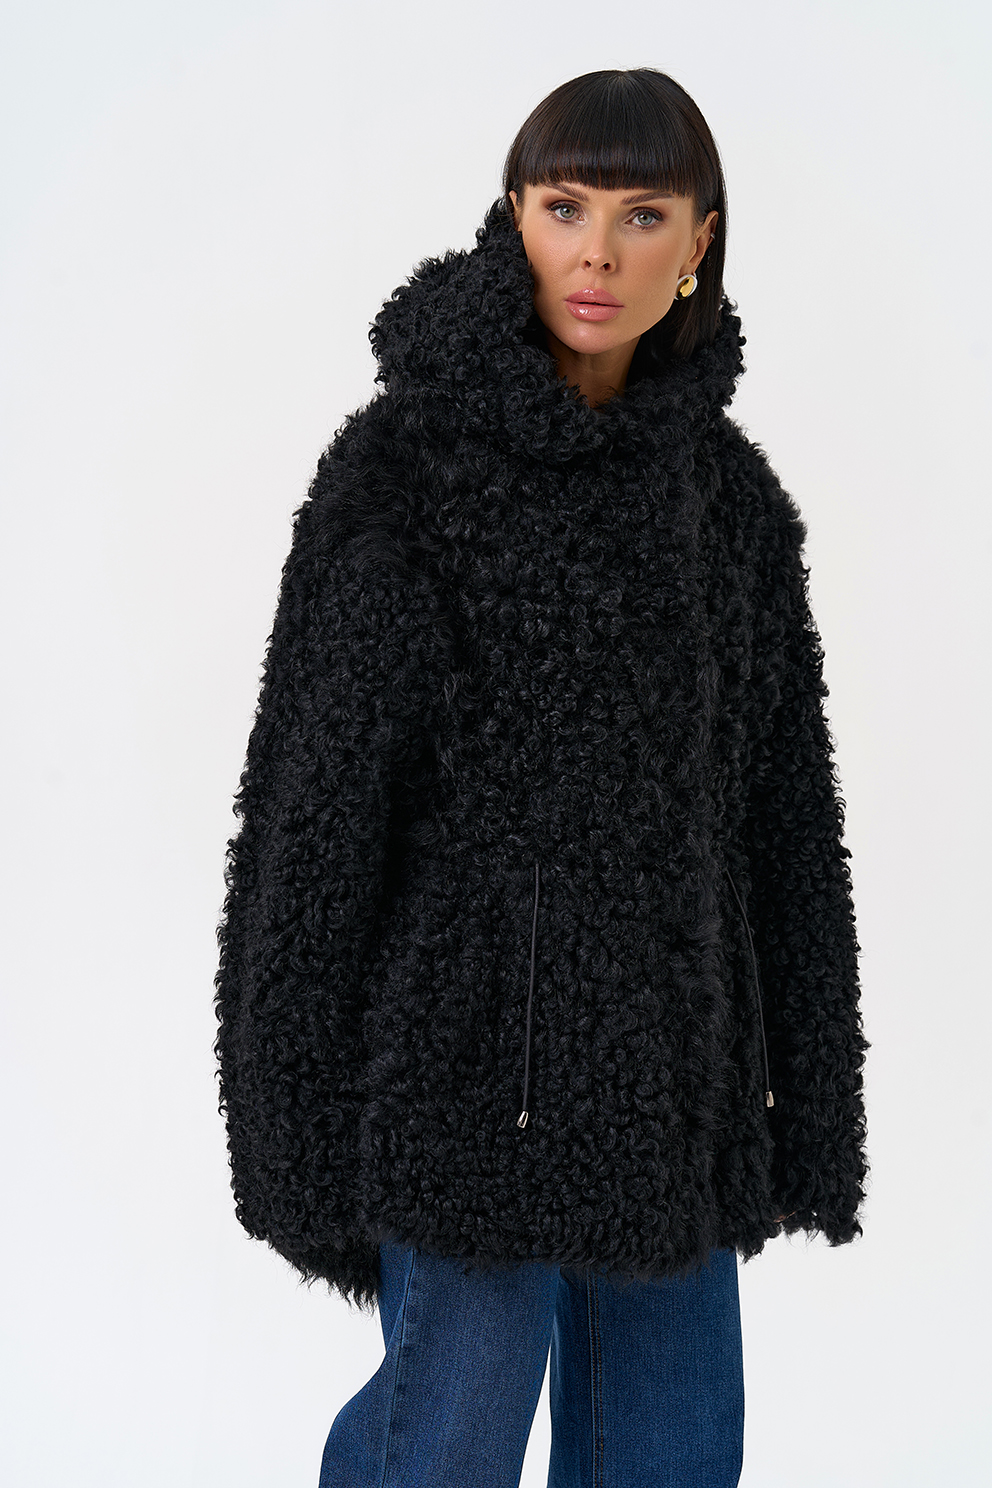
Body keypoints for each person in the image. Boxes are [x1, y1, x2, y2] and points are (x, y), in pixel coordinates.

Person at [213, 67, 869, 1487]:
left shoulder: (729, 503)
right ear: (512, 213)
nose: (598, 253)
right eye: (566, 206)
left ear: (698, 241)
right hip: (458, 1075)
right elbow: (311, 817)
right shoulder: (405, 471)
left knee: (676, 1455)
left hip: (670, 1083)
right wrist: (288, 1102)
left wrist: (806, 1106)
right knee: (444, 1443)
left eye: (643, 215)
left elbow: (784, 824)